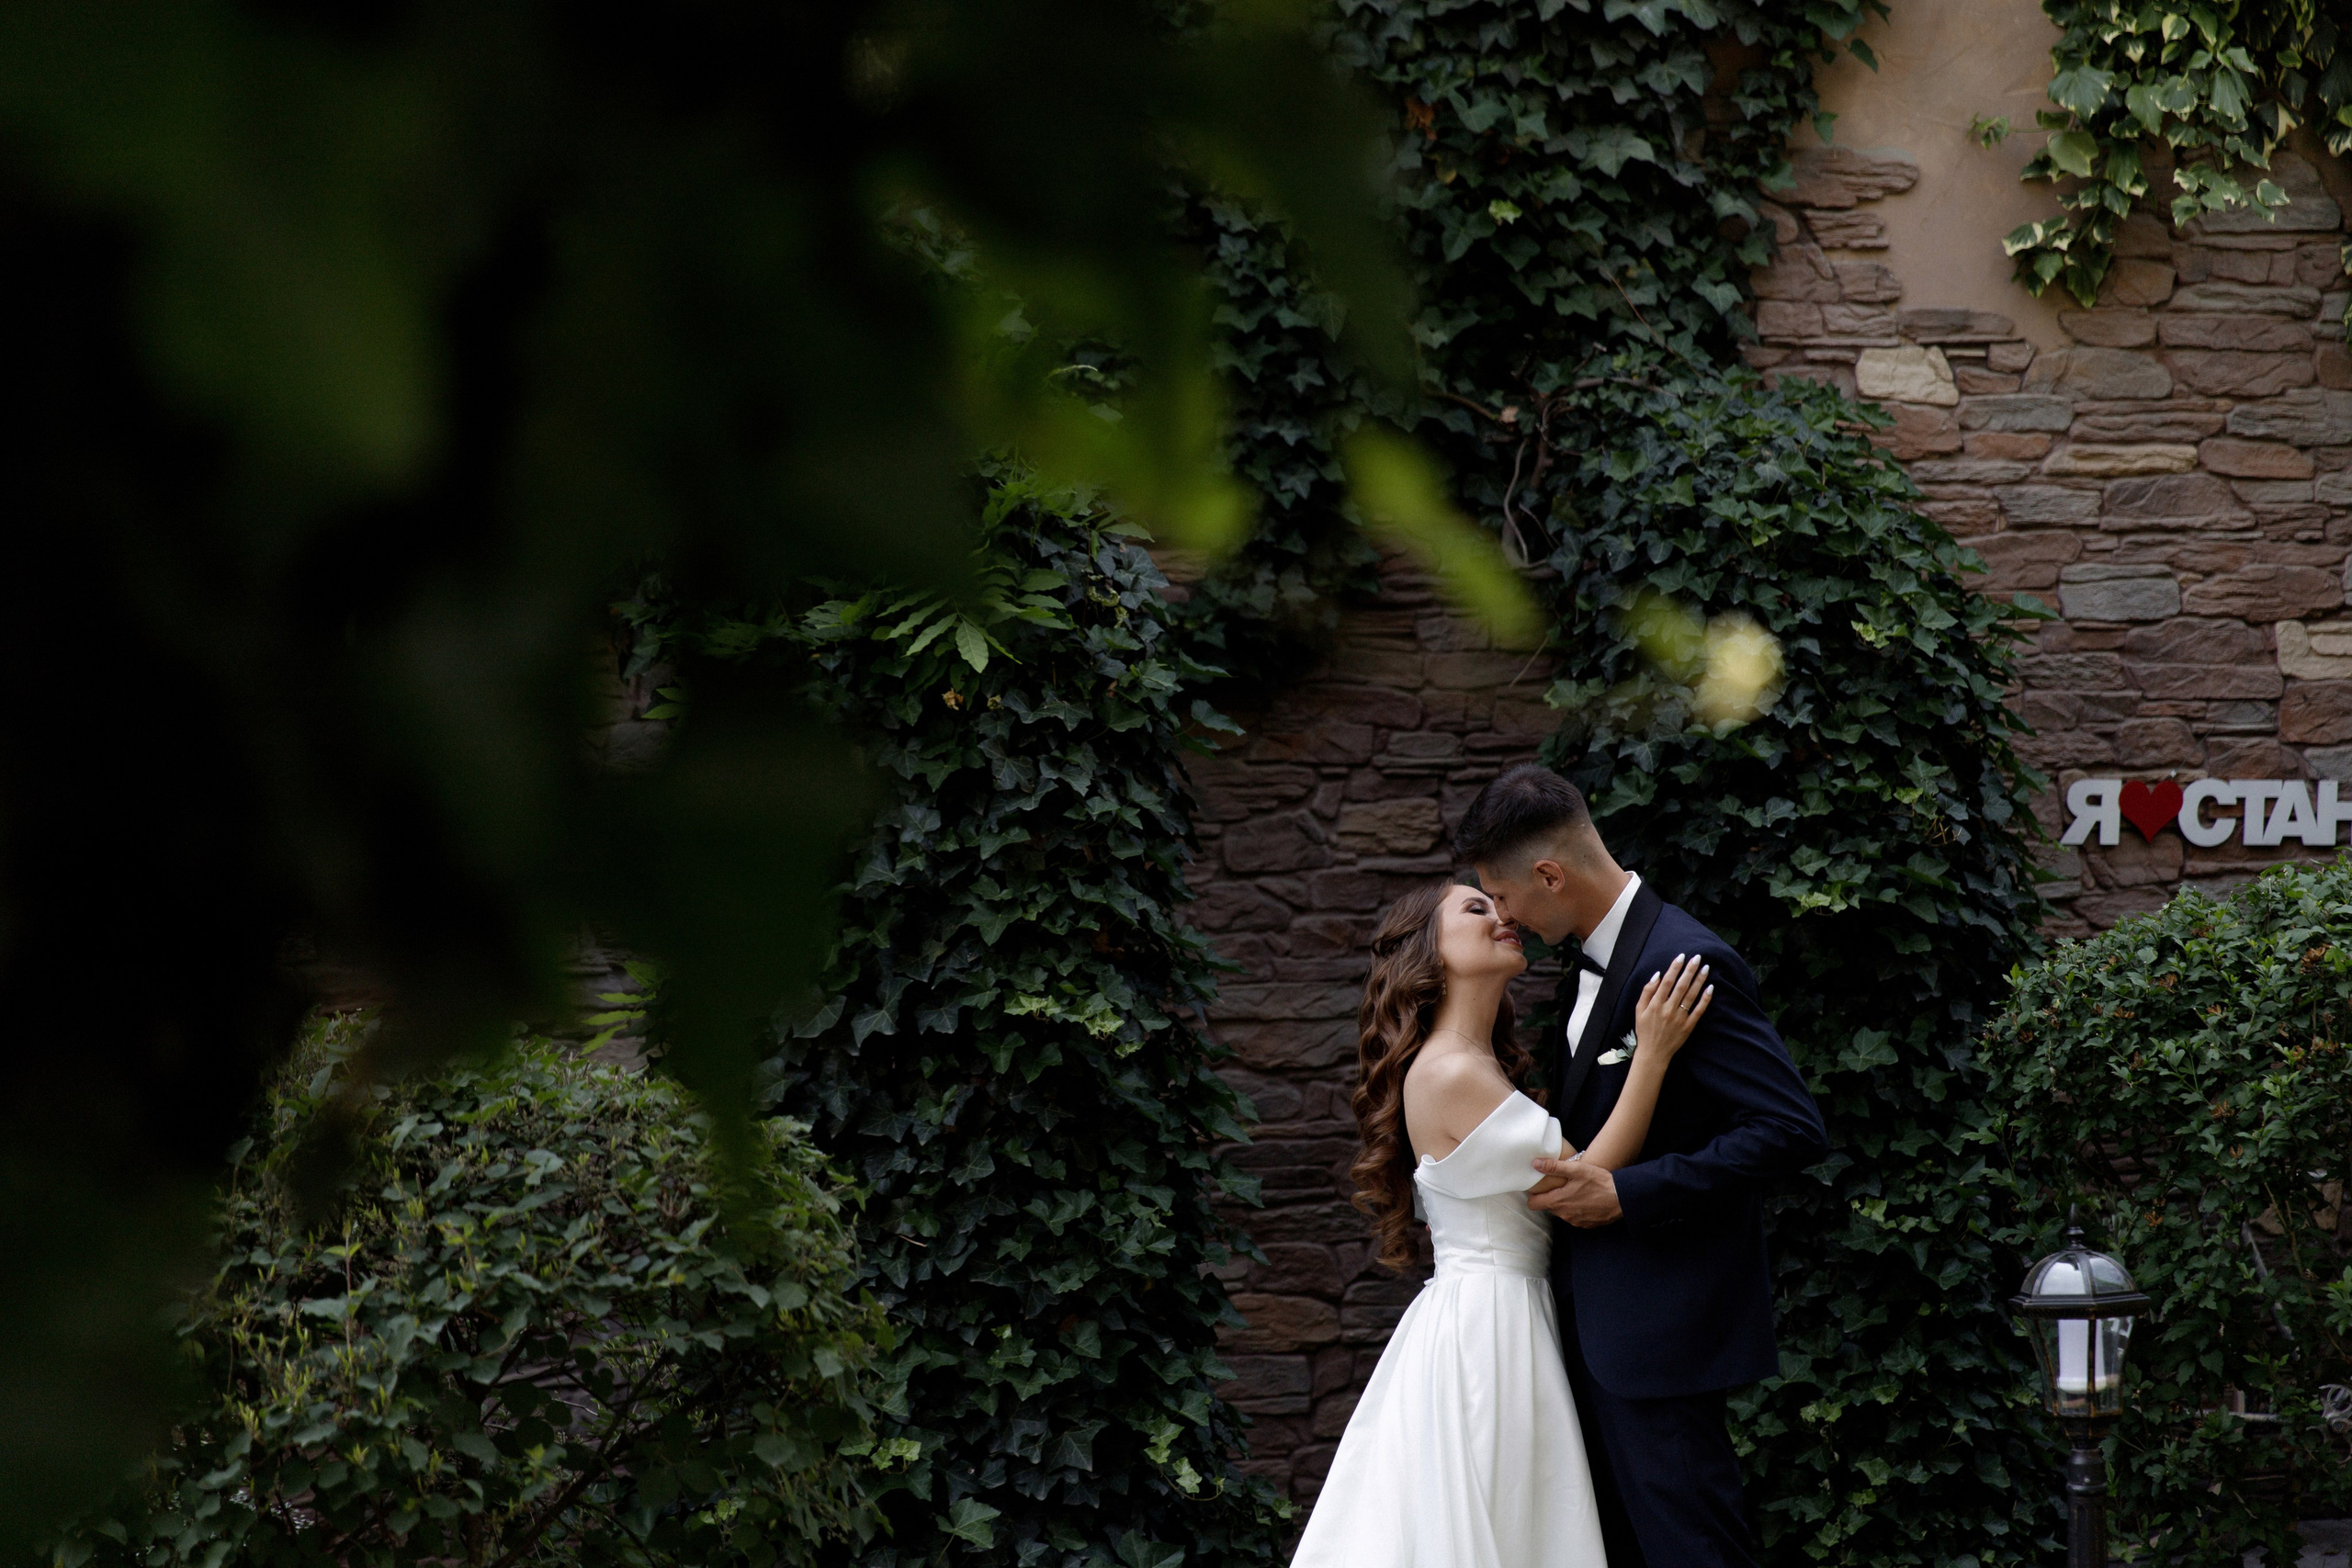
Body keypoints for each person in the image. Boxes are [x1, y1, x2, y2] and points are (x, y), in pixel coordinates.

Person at [1453, 763, 1829, 1568]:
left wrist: (1630, 1193)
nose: (1506, 916)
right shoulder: (1582, 965)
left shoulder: (1686, 962)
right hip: (1592, 1334)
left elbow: (1789, 1126)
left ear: (1549, 874)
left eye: (1505, 893)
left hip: (1662, 1335)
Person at [1291, 876, 1717, 1568]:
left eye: (1498, 904)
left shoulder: (1477, 1063)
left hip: (1503, 1312)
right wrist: (1654, 1053)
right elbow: (1589, 1173)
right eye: (1475, 907)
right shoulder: (1451, 1070)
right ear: (1430, 949)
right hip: (1491, 1328)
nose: (1502, 916)